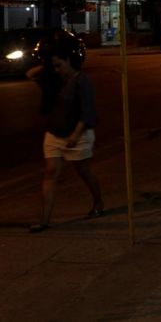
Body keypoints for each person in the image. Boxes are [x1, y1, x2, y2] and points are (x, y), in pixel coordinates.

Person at [26, 32, 103, 233]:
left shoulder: (81, 81)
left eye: (60, 64)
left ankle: (98, 202)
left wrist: (75, 136)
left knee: (83, 171)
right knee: (50, 173)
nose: (57, 69)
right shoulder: (54, 79)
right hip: (54, 134)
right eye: (55, 65)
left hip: (77, 135)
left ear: (69, 60)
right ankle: (45, 219)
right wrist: (49, 65)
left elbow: (88, 112)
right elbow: (31, 74)